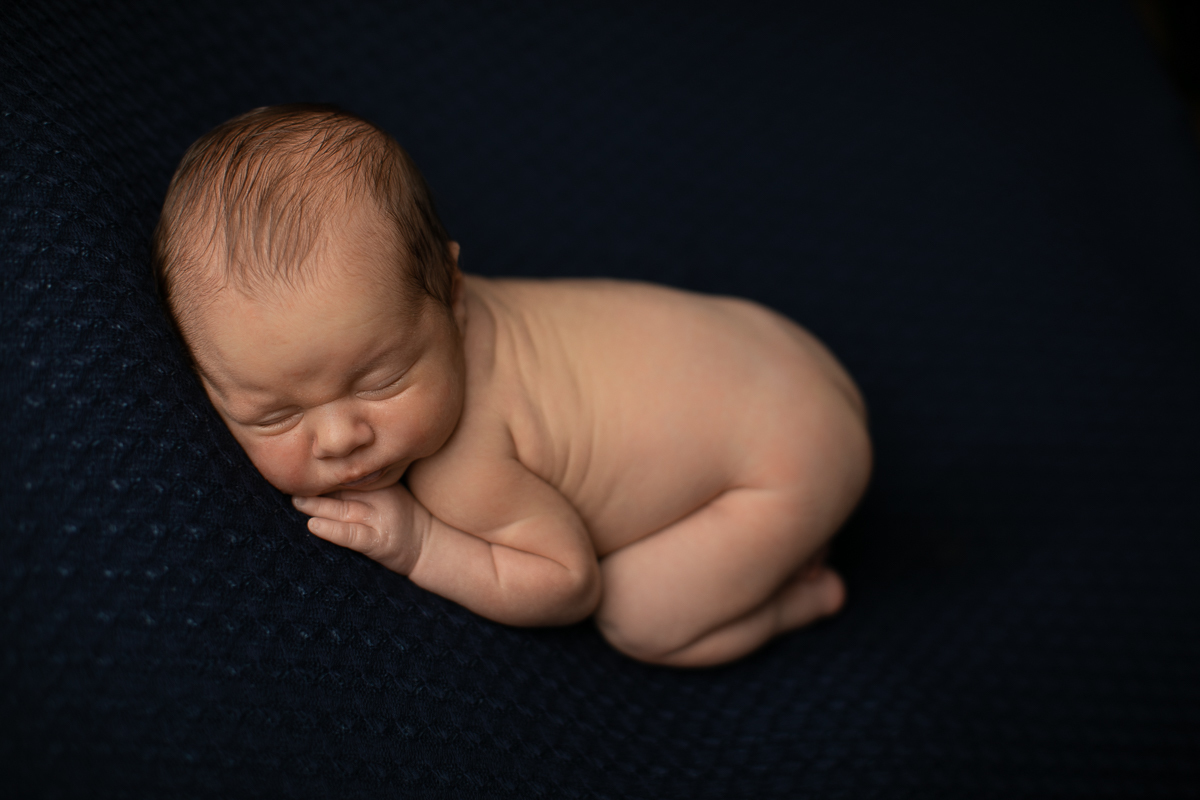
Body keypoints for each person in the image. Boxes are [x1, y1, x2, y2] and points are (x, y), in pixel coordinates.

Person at [152, 104, 872, 667]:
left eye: (382, 379)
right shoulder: (405, 311)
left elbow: (568, 584)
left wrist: (419, 544)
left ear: (452, 292)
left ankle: (798, 594)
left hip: (793, 459)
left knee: (639, 615)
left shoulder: (465, 468)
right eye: (274, 415)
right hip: (777, 349)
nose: (341, 437)